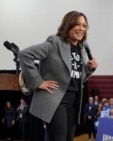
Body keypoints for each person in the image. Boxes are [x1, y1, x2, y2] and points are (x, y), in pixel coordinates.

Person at [18, 10, 98, 141]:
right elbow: (25, 55)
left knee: (68, 138)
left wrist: (90, 69)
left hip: (74, 100)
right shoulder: (54, 42)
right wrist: (38, 82)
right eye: (77, 24)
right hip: (56, 99)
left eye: (84, 25)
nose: (81, 28)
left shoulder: (82, 48)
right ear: (68, 25)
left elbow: (79, 78)